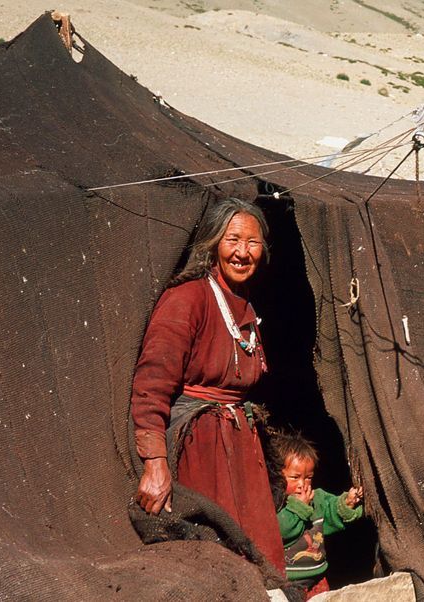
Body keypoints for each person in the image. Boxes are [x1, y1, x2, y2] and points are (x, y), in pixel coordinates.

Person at [130, 197, 286, 572]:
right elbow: (152, 382)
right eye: (233, 240)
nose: (242, 252)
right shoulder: (188, 298)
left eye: (252, 243)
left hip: (238, 445)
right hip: (200, 448)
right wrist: (154, 462)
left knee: (258, 554)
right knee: (215, 560)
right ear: (215, 242)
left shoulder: (243, 303)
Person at [264, 428, 364, 598]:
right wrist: (299, 507)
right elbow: (281, 531)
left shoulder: (317, 498)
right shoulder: (275, 504)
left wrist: (347, 502)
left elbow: (332, 509)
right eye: (295, 478)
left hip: (318, 578)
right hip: (287, 583)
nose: (302, 484)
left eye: (308, 477)